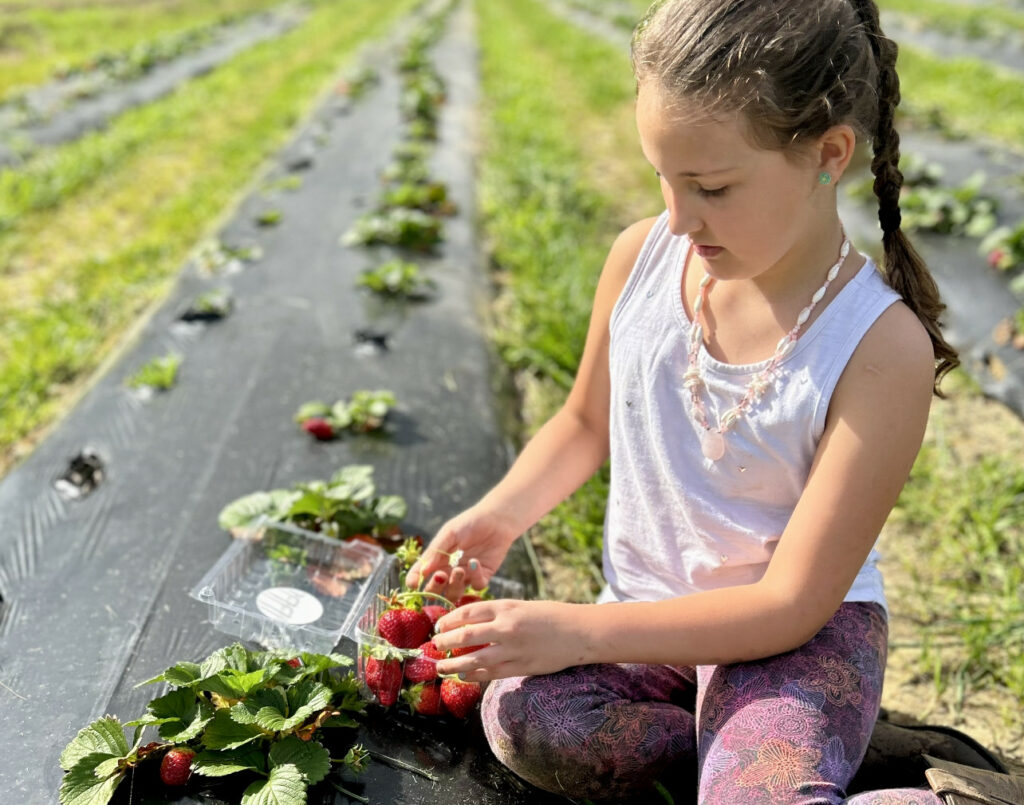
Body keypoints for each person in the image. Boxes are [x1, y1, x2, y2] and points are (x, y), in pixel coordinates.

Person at [407, 0, 963, 802]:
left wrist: (573, 629)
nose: (676, 216)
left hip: (792, 640)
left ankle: (820, 764)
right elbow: (584, 423)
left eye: (709, 186)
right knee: (522, 718)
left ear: (828, 155)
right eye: (662, 178)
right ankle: (779, 755)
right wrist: (496, 519)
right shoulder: (644, 257)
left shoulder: (878, 349)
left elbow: (789, 603)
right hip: (652, 618)